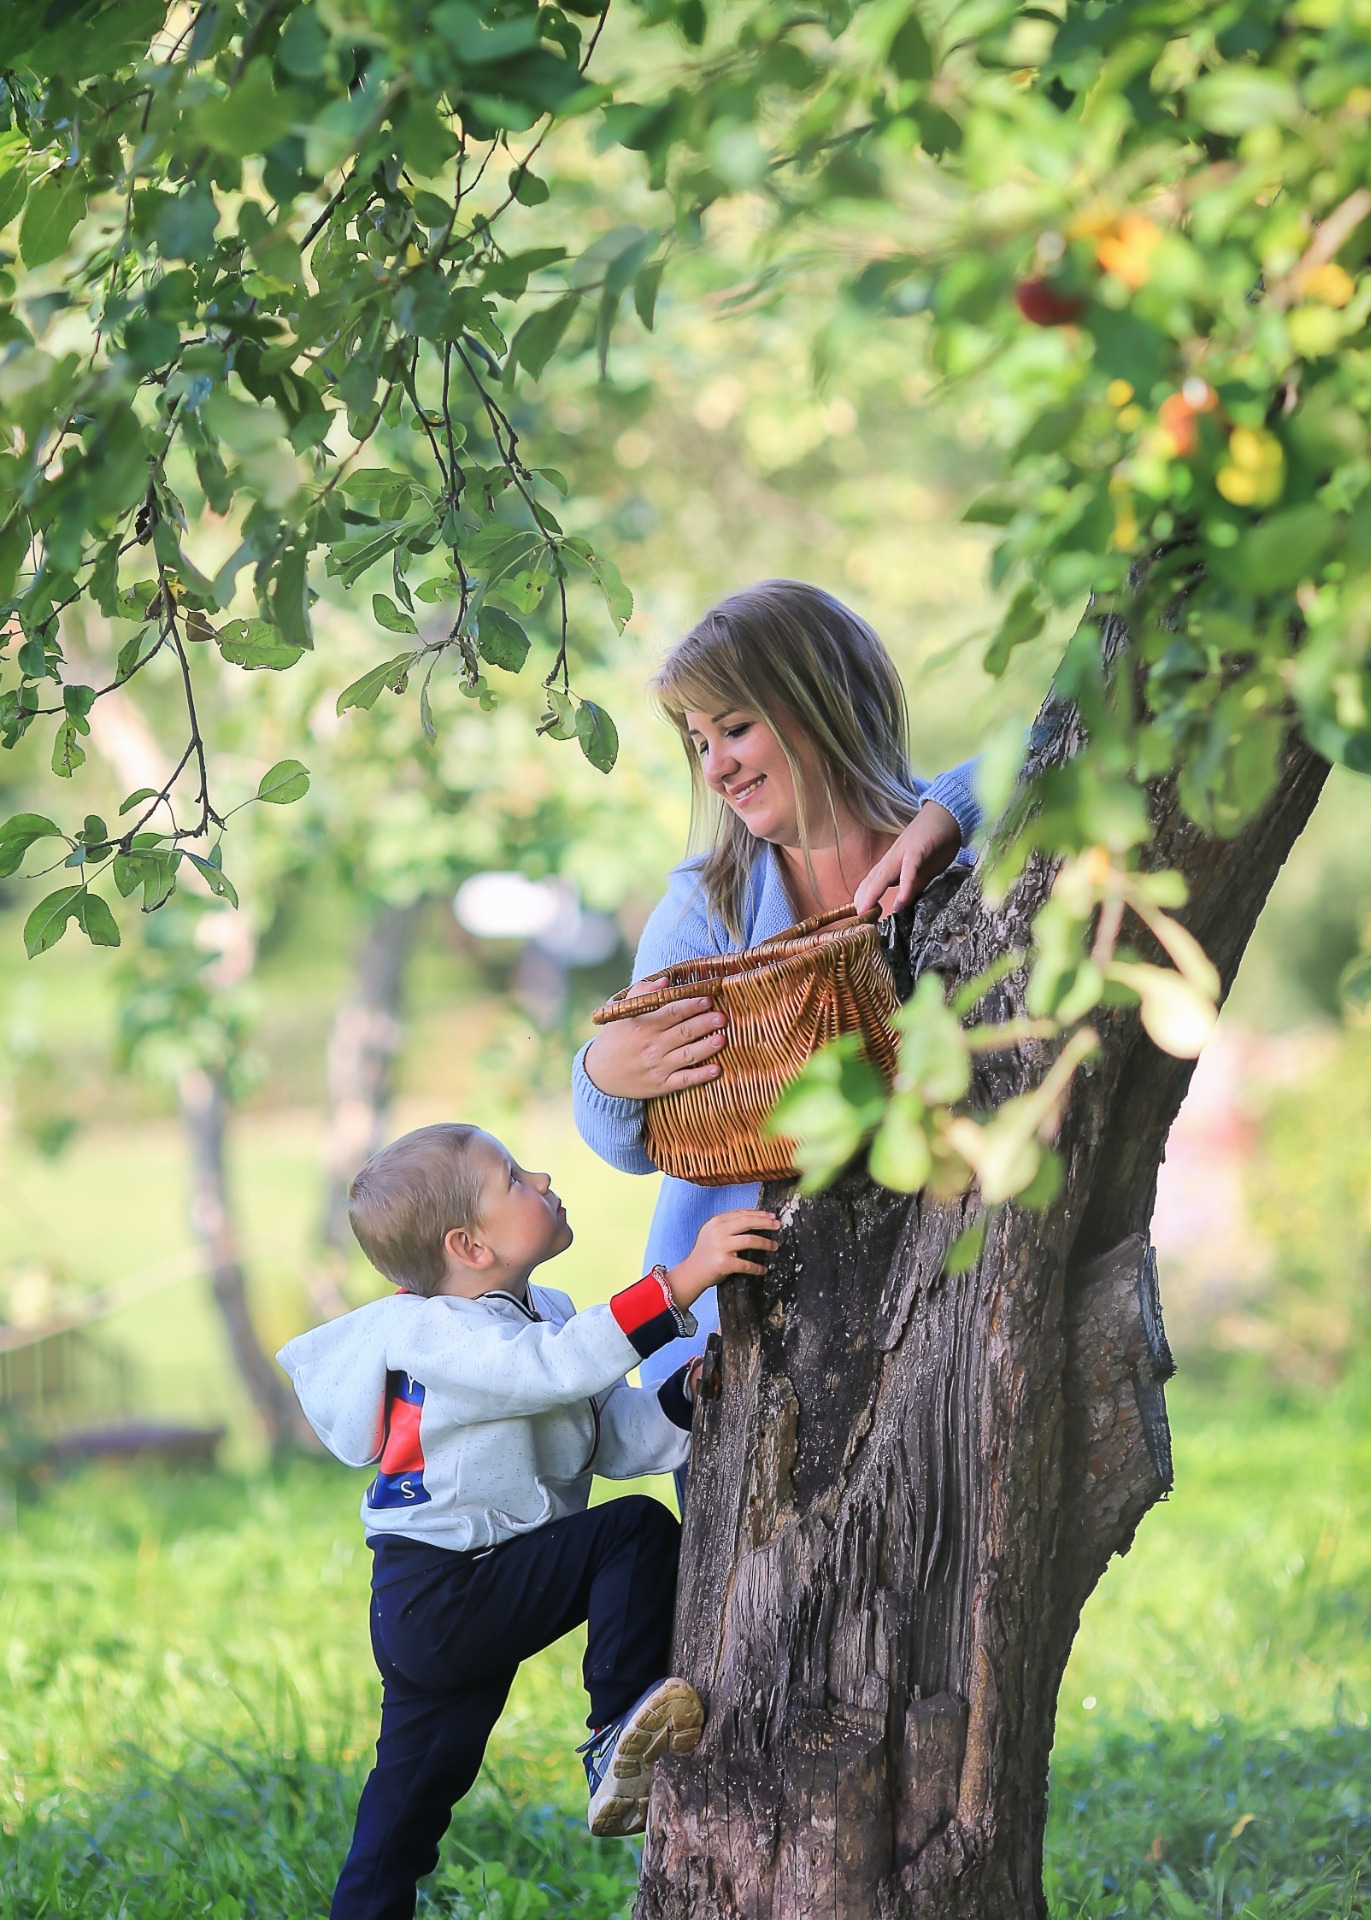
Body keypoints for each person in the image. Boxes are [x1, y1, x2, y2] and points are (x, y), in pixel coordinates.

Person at [277, 1120, 778, 1920]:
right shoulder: (437, 1332)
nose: (540, 1177)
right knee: (634, 1535)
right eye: (512, 1178)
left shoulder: (541, 1309)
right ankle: (619, 1726)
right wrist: (677, 1284)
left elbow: (610, 1436)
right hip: (438, 1592)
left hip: (463, 1591)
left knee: (403, 1816)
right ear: (469, 1246)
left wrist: (684, 1397)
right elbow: (550, 1370)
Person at [573, 580, 980, 1396]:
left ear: (820, 705)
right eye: (698, 743)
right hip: (751, 1337)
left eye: (734, 728)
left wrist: (950, 812)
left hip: (946, 1294)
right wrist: (604, 1076)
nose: (715, 767)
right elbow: (624, 1145)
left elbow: (1067, 743)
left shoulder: (956, 857)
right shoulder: (708, 906)